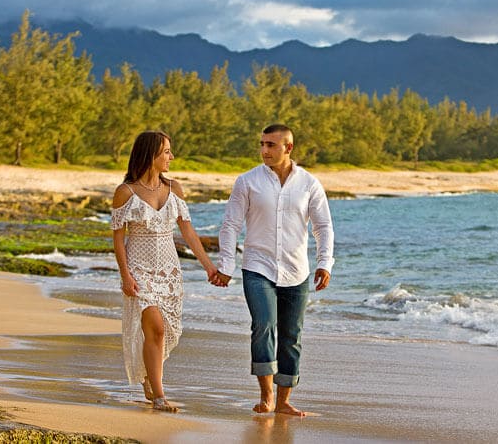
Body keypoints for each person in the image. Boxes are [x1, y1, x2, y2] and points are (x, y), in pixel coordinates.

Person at [212, 124, 335, 417]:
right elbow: (230, 225)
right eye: (262, 144)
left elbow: (323, 227)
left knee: (292, 334)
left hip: (296, 270)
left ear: (288, 148)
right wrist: (226, 265)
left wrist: (324, 263)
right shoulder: (247, 181)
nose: (264, 150)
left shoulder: (309, 183)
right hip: (257, 267)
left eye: (271, 145)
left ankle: (284, 401)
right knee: (264, 325)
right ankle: (266, 395)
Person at [111, 130, 218, 412]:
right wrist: (125, 276)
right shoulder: (125, 192)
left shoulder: (174, 189)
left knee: (163, 332)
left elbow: (188, 233)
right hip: (139, 269)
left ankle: (150, 377)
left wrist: (209, 267)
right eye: (166, 152)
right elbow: (118, 240)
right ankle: (159, 396)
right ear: (151, 155)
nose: (172, 157)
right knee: (156, 328)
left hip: (169, 271)